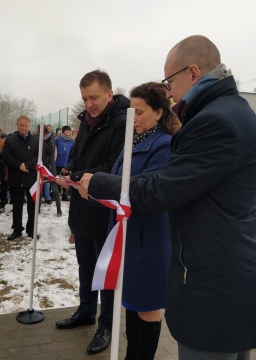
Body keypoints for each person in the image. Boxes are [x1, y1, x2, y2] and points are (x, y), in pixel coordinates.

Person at [80, 35, 256, 359]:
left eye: (170, 80)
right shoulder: (234, 112)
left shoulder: (215, 122)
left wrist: (99, 183)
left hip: (214, 286)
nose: (168, 90)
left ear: (193, 73)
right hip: (229, 278)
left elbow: (161, 190)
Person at [55, 69, 129, 355]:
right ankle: (85, 311)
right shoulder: (85, 121)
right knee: (85, 266)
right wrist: (69, 169)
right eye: (85, 98)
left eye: (94, 97)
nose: (89, 104)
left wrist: (80, 175)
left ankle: (106, 325)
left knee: (106, 272)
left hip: (105, 210)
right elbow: (76, 152)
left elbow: (114, 167)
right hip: (82, 208)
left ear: (109, 94)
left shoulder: (122, 123)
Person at [112, 82, 180, 359]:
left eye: (139, 112)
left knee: (148, 304)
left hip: (149, 237)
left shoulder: (164, 144)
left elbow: (147, 188)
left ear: (159, 112)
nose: (134, 118)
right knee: (131, 300)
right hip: (129, 234)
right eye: (131, 111)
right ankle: (132, 354)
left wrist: (105, 185)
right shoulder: (134, 141)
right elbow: (117, 178)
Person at [2, 115, 39, 240]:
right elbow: (6, 156)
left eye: (26, 125)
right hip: (16, 177)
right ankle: (17, 229)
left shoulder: (36, 140)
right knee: (17, 205)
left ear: (30, 126)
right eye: (21, 125)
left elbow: (39, 156)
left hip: (31, 177)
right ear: (17, 125)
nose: (24, 128)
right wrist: (19, 165)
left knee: (32, 206)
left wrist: (27, 165)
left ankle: (31, 230)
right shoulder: (10, 140)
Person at [37, 124, 62, 217]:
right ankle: (37, 208)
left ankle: (59, 208)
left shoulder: (50, 137)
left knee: (54, 187)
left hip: (50, 165)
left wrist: (42, 142)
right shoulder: (37, 137)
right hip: (41, 164)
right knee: (39, 186)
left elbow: (51, 150)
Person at [55, 125, 75, 202]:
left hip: (67, 163)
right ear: (63, 131)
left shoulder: (72, 141)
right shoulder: (57, 140)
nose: (68, 132)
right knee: (57, 178)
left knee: (66, 179)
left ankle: (65, 195)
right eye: (66, 130)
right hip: (58, 162)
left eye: (69, 130)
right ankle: (56, 194)